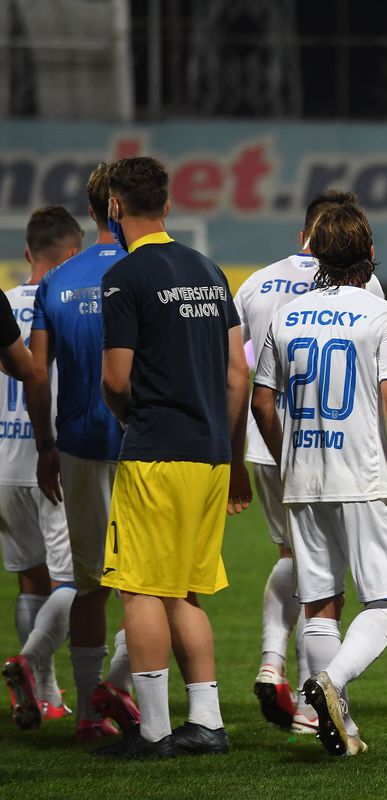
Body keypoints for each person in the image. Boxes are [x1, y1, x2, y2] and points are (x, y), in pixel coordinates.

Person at [95, 156, 252, 758]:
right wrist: (228, 446)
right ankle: (207, 723)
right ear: (167, 204)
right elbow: (237, 372)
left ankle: (155, 730)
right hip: (211, 453)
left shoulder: (125, 277)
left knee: (138, 591)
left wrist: (131, 417)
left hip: (156, 451)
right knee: (184, 591)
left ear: (115, 206)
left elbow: (116, 378)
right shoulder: (209, 271)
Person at [251, 202, 387, 757]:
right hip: (364, 475)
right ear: (369, 255)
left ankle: (334, 724)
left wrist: (287, 457)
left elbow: (261, 401)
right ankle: (331, 685)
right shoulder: (383, 313)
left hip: (303, 476)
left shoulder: (286, 316)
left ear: (317, 253)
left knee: (320, 602)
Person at [233, 189, 385, 735]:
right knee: (328, 582)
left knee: (293, 557)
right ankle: (313, 697)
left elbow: (236, 370)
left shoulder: (256, 282)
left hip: (265, 440)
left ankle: (274, 660)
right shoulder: (361, 284)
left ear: (304, 232)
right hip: (332, 446)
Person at [25, 164, 138, 743]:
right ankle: (119, 688)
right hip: (144, 447)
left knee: (89, 581)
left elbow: (38, 374)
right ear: (120, 207)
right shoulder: (148, 271)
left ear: (92, 211)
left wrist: (45, 444)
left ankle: (92, 716)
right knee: (157, 581)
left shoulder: (57, 281)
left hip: (76, 445)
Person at [1, 207, 81, 729]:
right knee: (74, 580)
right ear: (71, 255)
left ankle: (45, 693)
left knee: (32, 580)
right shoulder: (70, 303)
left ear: (28, 253)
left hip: (3, 462)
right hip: (52, 458)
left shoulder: (4, 302)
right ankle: (31, 665)